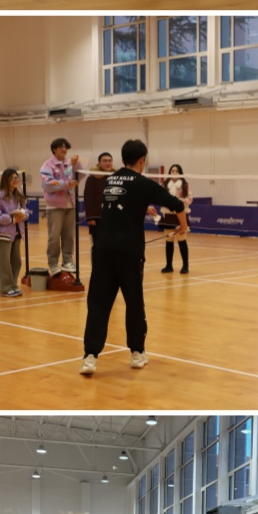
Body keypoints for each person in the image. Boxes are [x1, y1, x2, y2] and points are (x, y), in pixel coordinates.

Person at [79, 138, 188, 376]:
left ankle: (89, 358)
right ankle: (137, 353)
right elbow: (177, 205)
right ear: (142, 160)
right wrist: (183, 226)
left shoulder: (111, 180)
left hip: (102, 251)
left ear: (122, 159)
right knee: (134, 304)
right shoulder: (142, 183)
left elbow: (122, 201)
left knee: (98, 304)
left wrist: (142, 206)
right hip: (129, 254)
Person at [40, 137, 81, 276]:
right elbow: (48, 184)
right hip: (55, 206)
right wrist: (66, 184)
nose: (64, 149)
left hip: (70, 205)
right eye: (61, 147)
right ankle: (53, 264)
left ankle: (67, 261)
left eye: (66, 147)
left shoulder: (69, 164)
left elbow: (75, 177)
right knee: (54, 237)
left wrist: (75, 165)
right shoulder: (47, 165)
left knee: (69, 236)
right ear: (54, 149)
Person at [0, 168, 28, 298]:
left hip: (17, 233)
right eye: (12, 178)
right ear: (6, 180)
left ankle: (13, 285)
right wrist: (12, 219)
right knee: (4, 262)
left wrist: (23, 215)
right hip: (3, 233)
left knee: (16, 261)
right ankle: (5, 288)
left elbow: (26, 211)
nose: (15, 180)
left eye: (17, 178)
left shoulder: (19, 196)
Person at [159, 164, 193, 274]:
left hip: (180, 215)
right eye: (172, 170)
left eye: (176, 171)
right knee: (169, 241)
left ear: (180, 173)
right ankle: (169, 266)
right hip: (168, 215)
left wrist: (178, 201)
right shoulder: (164, 184)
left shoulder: (185, 185)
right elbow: (160, 197)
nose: (174, 172)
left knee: (181, 240)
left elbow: (190, 199)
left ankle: (185, 266)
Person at [83, 152, 115, 244]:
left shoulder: (116, 177)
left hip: (113, 217)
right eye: (104, 161)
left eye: (109, 161)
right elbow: (88, 198)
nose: (107, 163)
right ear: (99, 163)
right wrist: (90, 217)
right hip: (97, 218)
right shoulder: (92, 178)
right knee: (97, 244)